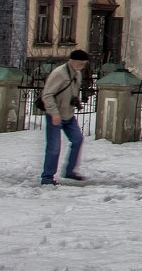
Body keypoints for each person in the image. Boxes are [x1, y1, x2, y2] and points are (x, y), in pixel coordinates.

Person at [40, 49, 89, 186]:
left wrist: (76, 102)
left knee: (77, 139)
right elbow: (47, 95)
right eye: (80, 64)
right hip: (55, 115)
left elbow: (72, 91)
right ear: (72, 61)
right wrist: (54, 113)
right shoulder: (59, 74)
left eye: (83, 64)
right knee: (54, 147)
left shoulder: (76, 74)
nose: (81, 67)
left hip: (68, 114)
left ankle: (69, 170)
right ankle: (47, 177)